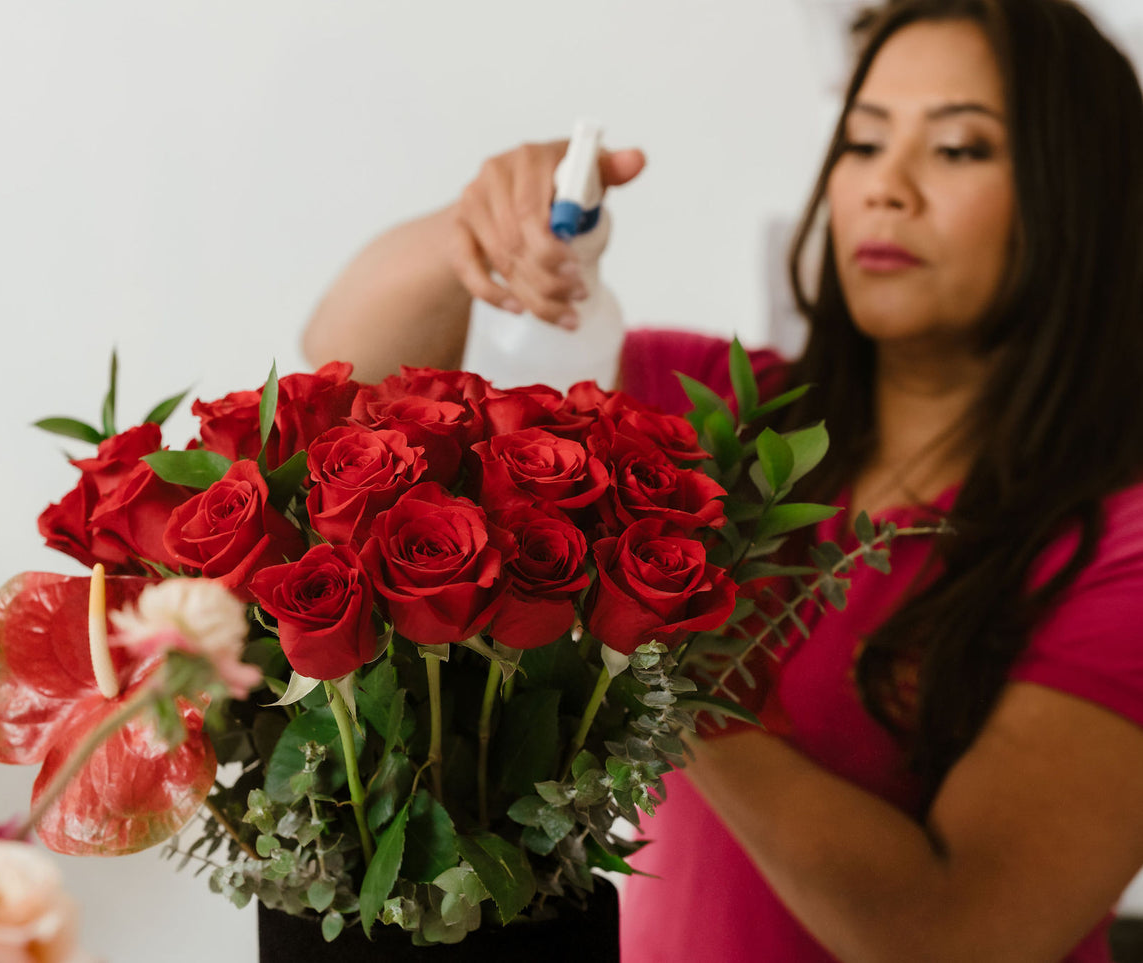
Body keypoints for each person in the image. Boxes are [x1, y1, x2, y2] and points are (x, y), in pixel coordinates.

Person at [302, 0, 1143, 959]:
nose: (885, 188)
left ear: (1083, 191)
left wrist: (657, 644)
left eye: (957, 150)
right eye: (862, 143)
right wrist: (484, 225)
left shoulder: (1117, 548)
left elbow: (956, 932)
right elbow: (350, 363)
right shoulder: (713, 412)